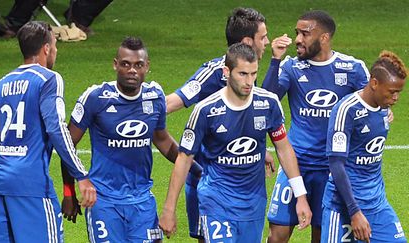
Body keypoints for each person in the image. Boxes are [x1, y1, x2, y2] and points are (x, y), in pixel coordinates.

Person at [159, 43, 312, 242]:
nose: (249, 81)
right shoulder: (206, 110)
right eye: (242, 74)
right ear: (226, 72)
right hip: (216, 200)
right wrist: (169, 209)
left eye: (253, 73)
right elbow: (184, 159)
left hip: (253, 203)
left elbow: (284, 149)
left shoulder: (268, 103)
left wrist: (300, 196)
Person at [59, 36, 201, 242]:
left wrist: (197, 169)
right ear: (115, 65)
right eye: (125, 64)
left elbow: (163, 141)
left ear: (147, 66)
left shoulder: (155, 97)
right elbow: (67, 145)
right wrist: (69, 191)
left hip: (142, 202)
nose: (132, 70)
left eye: (138, 65)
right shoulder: (96, 98)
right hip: (103, 201)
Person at [165, 7, 275, 241]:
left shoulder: (248, 71)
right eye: (263, 37)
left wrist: (258, 148)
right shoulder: (215, 73)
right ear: (248, 41)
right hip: (207, 181)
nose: (267, 42)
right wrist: (137, 115)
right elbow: (172, 103)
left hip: (242, 188)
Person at [262, 10, 370, 243]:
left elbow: (372, 106)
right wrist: (275, 61)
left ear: (324, 37)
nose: (298, 39)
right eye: (297, 33)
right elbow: (266, 102)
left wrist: (384, 111)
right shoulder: (291, 67)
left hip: (331, 170)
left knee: (321, 236)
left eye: (305, 33)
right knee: (276, 236)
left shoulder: (353, 68)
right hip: (295, 164)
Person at [0, 21, 96, 242]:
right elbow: (57, 128)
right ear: (46, 48)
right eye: (54, 45)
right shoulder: (49, 79)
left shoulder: (2, 83)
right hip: (32, 182)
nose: (55, 50)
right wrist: (81, 175)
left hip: (0, 180)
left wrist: (9, 163)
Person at [322, 50, 407, 243]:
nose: (396, 99)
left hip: (377, 205)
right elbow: (336, 164)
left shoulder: (383, 110)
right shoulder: (346, 110)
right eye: (392, 92)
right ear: (375, 83)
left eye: (398, 93)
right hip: (343, 206)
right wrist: (354, 211)